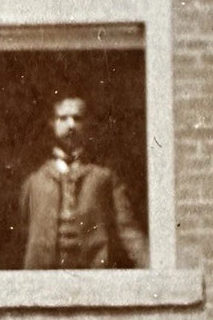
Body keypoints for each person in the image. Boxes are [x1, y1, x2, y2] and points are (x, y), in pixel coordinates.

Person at [20, 94, 149, 269]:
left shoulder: (104, 177)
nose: (71, 125)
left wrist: (154, 268)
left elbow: (127, 229)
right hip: (44, 278)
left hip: (91, 276)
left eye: (77, 119)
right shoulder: (35, 181)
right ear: (52, 123)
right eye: (63, 118)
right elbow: (20, 234)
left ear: (87, 124)